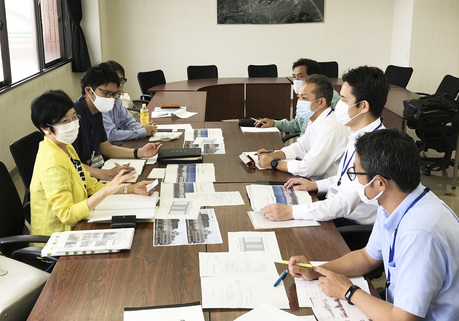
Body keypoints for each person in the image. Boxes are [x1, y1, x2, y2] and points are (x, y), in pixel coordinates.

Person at [288, 129, 459, 320]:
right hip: (394, 307)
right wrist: (317, 270)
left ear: (379, 183)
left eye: (356, 172)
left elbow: (402, 319)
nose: (354, 179)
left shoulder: (420, 234)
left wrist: (348, 291)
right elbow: (367, 257)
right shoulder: (396, 202)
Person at [260, 66, 390, 226]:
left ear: (363, 106)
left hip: (351, 222)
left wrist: (291, 212)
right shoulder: (356, 133)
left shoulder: (375, 147)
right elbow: (344, 179)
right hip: (334, 206)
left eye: (343, 99)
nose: (338, 105)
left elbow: (345, 203)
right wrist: (315, 185)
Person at [30, 90, 155, 237]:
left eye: (74, 117)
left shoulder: (65, 147)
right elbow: (67, 215)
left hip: (79, 225)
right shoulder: (52, 162)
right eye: (65, 121)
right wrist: (107, 191)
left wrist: (131, 189)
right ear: (45, 128)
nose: (73, 124)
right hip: (56, 240)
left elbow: (91, 185)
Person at [73, 62, 162, 181]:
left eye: (113, 95)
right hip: (79, 179)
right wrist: (105, 174)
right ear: (89, 91)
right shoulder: (73, 117)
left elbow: (106, 148)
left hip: (93, 173)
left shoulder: (97, 112)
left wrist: (140, 152)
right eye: (106, 94)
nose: (111, 99)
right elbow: (70, 164)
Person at [256, 74, 347, 180]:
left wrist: (273, 163)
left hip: (325, 189)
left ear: (321, 102)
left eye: (304, 98)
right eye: (299, 97)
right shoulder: (315, 119)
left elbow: (309, 168)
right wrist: (274, 154)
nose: (299, 102)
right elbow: (301, 147)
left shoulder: (332, 127)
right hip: (313, 181)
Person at [254, 58, 340, 136]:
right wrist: (274, 123)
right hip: (304, 145)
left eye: (300, 76)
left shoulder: (332, 97)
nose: (296, 80)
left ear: (313, 77)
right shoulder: (303, 97)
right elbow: (297, 125)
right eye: (294, 77)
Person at [102, 60, 157, 145]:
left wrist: (144, 128)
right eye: (116, 80)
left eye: (122, 80)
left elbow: (127, 122)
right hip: (104, 151)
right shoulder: (101, 103)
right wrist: (142, 131)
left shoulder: (117, 100)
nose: (120, 84)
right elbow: (112, 135)